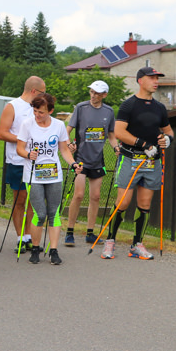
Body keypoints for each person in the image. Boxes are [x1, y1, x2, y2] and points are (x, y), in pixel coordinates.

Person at [102, 67, 174, 260]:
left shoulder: (159, 107)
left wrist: (167, 140)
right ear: (140, 80)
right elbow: (119, 132)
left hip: (152, 162)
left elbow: (169, 131)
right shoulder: (129, 105)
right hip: (130, 159)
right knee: (123, 202)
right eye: (152, 78)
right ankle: (110, 241)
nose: (156, 81)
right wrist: (142, 144)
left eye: (157, 78)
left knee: (144, 203)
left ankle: (137, 244)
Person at [17, 93, 81, 264]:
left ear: (50, 111)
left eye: (41, 112)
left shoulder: (59, 125)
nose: (37, 115)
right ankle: (36, 248)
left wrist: (74, 164)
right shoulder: (27, 124)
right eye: (35, 111)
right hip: (34, 175)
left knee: (54, 214)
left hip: (53, 175)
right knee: (40, 213)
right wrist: (28, 154)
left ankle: (53, 250)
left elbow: (64, 150)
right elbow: (20, 149)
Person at [65, 80, 118, 246]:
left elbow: (111, 135)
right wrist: (68, 144)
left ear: (104, 95)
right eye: (92, 92)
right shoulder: (81, 108)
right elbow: (67, 130)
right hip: (80, 158)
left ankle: (90, 232)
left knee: (95, 197)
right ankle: (69, 232)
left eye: (97, 93)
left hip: (97, 160)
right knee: (79, 195)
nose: (93, 96)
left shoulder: (108, 111)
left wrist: (116, 147)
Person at [0, 76, 46, 252]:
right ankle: (21, 237)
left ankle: (30, 236)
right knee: (20, 199)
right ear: (33, 91)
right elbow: (2, 133)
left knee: (34, 200)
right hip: (17, 160)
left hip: (36, 161)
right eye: (42, 92)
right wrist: (23, 140)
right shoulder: (12, 106)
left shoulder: (39, 108)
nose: (44, 96)